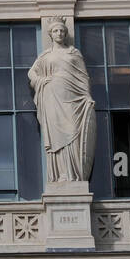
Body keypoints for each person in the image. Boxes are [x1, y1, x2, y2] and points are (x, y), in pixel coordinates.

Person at [28, 18, 96, 184]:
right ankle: (61, 175)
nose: (59, 34)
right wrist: (40, 81)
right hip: (52, 97)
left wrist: (87, 95)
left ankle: (73, 175)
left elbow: (83, 76)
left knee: (73, 132)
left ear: (65, 34)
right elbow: (31, 73)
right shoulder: (45, 56)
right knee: (57, 137)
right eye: (56, 31)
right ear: (50, 34)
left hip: (73, 98)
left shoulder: (74, 53)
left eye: (62, 31)